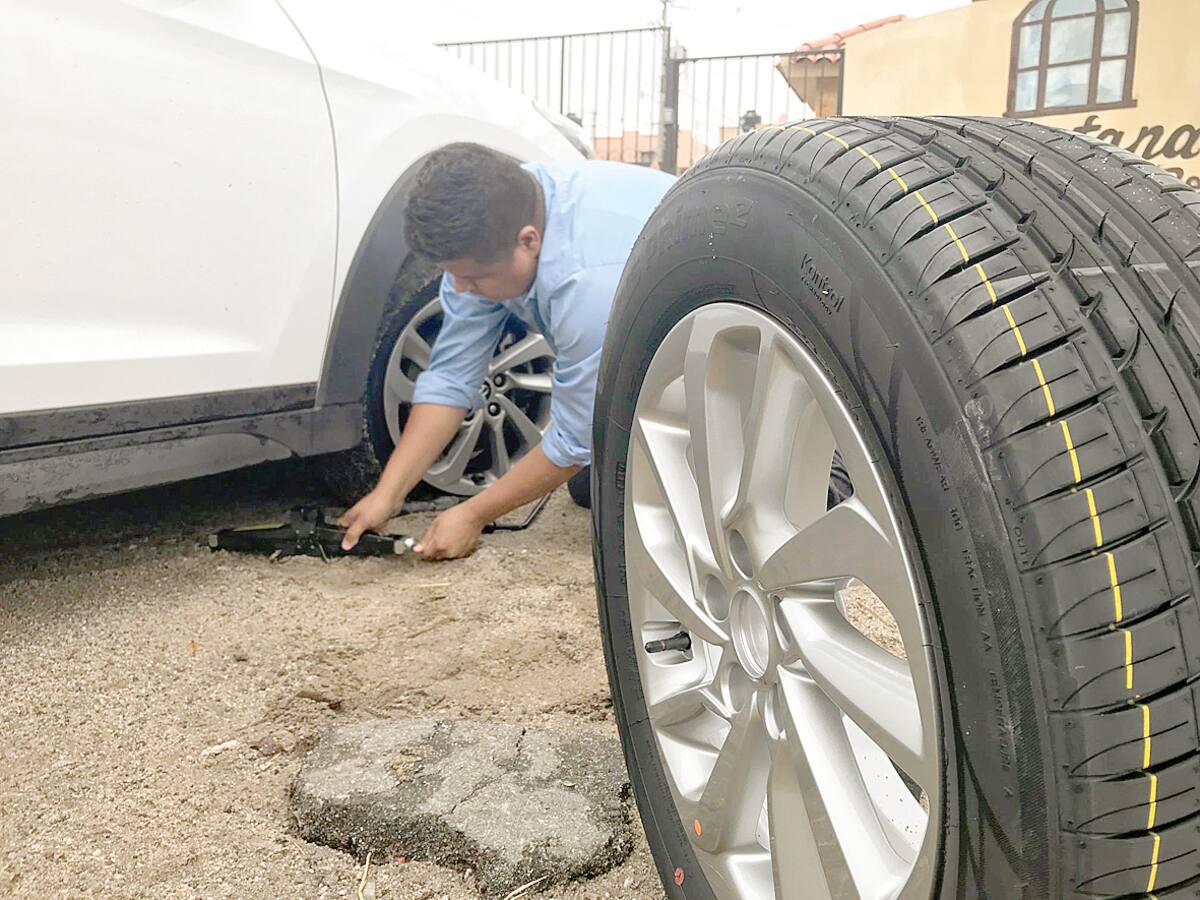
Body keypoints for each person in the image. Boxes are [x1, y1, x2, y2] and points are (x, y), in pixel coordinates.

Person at [339, 143, 675, 559]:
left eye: (475, 277)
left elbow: (574, 440)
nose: (461, 290)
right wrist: (387, 495)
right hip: (645, 334)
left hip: (726, 342)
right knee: (592, 485)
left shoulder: (587, 286)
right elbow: (450, 378)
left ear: (528, 241)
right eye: (453, 276)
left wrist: (474, 514)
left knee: (637, 493)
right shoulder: (500, 213)